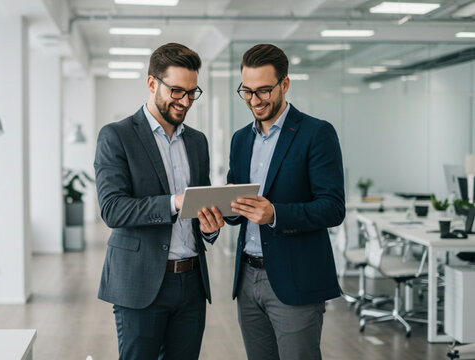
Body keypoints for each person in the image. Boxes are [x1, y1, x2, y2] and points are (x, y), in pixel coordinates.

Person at [94, 42, 224, 360]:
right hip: (140, 283)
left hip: (191, 281)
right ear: (152, 83)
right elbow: (112, 208)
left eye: (192, 92)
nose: (185, 101)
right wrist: (173, 203)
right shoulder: (116, 136)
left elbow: (199, 204)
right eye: (177, 91)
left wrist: (210, 227)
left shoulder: (197, 142)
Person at [226, 43, 345, 360]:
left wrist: (276, 213)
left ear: (285, 84)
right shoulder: (241, 139)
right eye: (247, 91)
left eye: (264, 90)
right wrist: (223, 211)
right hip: (247, 278)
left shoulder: (316, 133)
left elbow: (332, 207)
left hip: (295, 279)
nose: (254, 100)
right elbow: (236, 198)